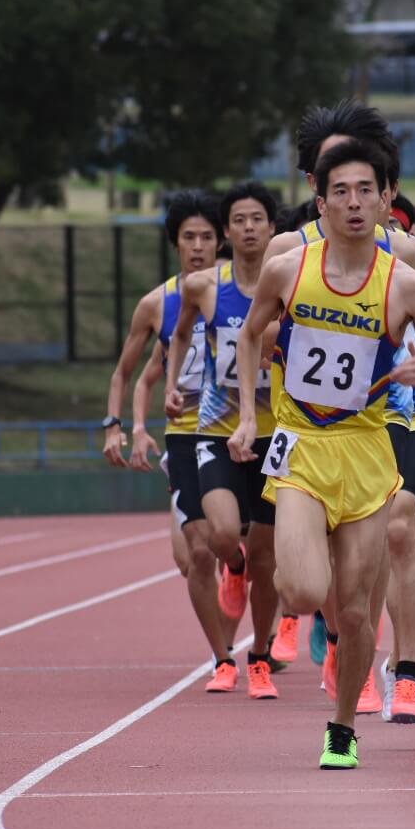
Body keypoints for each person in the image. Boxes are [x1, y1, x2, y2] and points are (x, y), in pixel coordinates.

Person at [229, 139, 415, 770]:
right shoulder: (288, 268)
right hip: (302, 449)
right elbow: (251, 336)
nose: (354, 203)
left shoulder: (407, 284)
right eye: (341, 191)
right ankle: (303, 614)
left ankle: (342, 727)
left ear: (385, 197)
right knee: (306, 592)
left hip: (366, 454)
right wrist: (252, 416)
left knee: (357, 611)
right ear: (320, 199)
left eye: (365, 190)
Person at [102, 192, 241, 680]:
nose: (199, 246)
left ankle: (253, 612)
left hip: (241, 432)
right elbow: (128, 374)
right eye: (189, 238)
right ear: (175, 244)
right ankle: (224, 657)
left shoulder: (240, 288)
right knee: (196, 554)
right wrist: (122, 427)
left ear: (221, 238)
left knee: (237, 544)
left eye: (207, 236)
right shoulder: (156, 304)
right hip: (186, 433)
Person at [165, 181, 281, 699]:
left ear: (272, 227)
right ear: (227, 231)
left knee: (267, 560)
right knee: (220, 533)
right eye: (240, 220)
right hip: (214, 429)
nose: (249, 228)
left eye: (258, 218)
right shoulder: (204, 287)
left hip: (275, 432)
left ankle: (258, 658)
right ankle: (229, 568)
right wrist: (172, 384)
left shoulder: (287, 285)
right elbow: (182, 333)